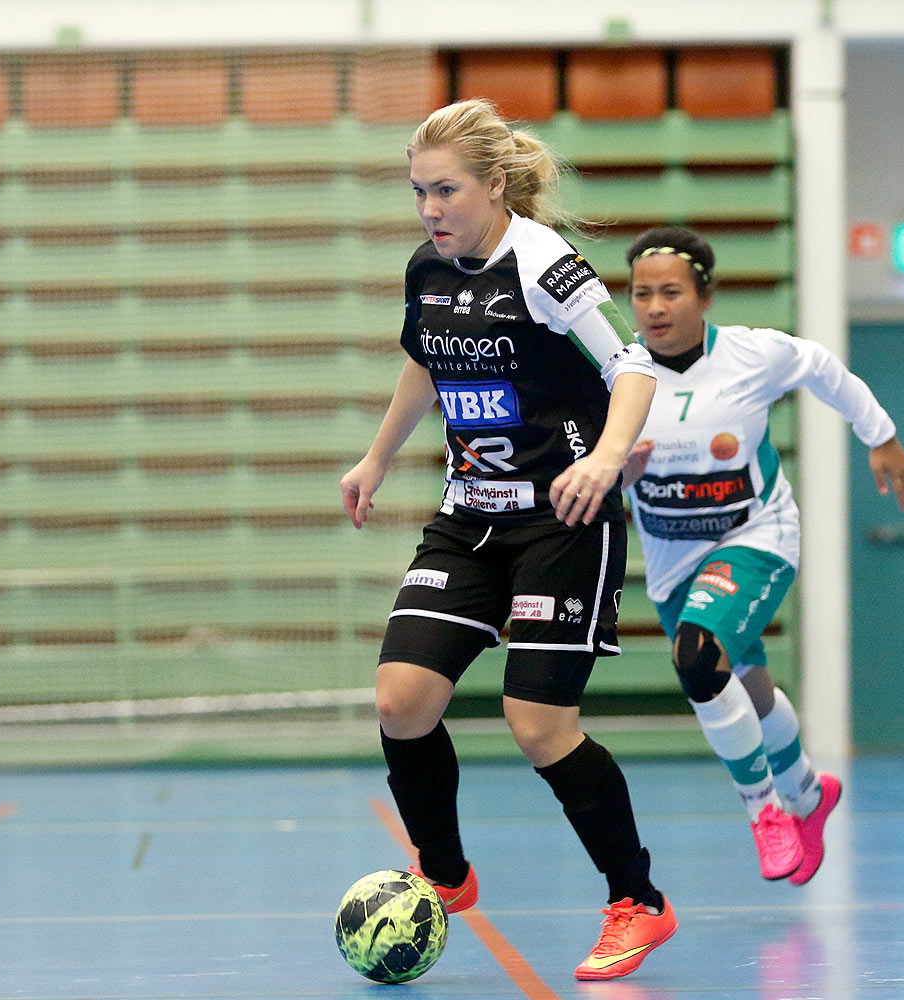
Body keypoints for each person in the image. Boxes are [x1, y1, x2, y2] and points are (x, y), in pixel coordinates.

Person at [339, 99, 674, 981]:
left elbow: (631, 365)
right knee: (402, 699)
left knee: (537, 724)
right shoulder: (429, 268)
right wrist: (378, 457)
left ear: (494, 186)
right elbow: (427, 355)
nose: (430, 209)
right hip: (470, 514)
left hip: (561, 519)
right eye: (418, 192)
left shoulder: (544, 263)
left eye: (446, 190)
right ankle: (444, 876)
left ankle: (637, 901)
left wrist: (604, 459)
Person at [620, 226, 904, 884]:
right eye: (642, 294)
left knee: (699, 660)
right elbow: (591, 471)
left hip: (754, 536)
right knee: (742, 688)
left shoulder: (752, 355)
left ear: (705, 296)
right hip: (674, 560)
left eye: (671, 292)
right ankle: (810, 794)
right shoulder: (618, 374)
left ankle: (766, 811)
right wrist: (620, 471)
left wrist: (882, 436)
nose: (655, 307)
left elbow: (823, 369)